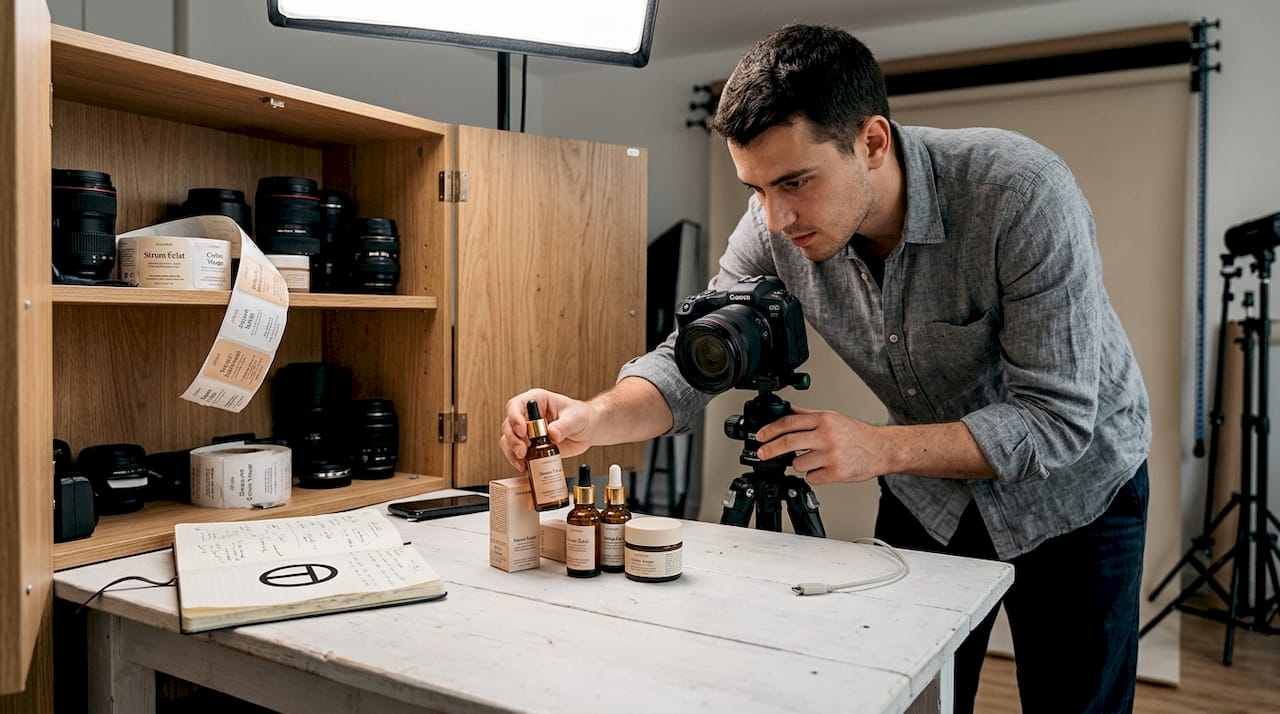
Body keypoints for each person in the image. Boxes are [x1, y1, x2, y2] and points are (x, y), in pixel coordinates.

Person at [500, 23, 1150, 714]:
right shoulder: (772, 223)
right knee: (910, 697)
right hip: (930, 495)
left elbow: (1056, 420)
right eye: (755, 188)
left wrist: (876, 446)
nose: (776, 218)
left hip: (1079, 496)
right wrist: (594, 418)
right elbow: (699, 356)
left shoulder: (1019, 193)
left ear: (871, 142)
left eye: (795, 182)